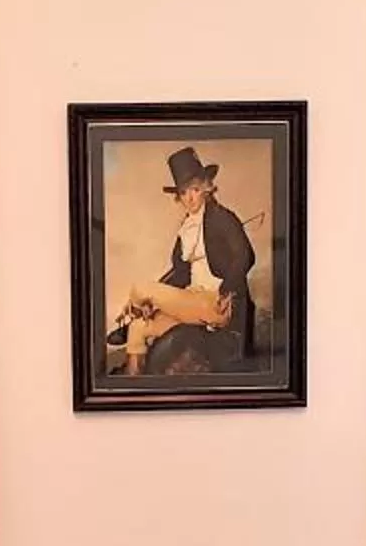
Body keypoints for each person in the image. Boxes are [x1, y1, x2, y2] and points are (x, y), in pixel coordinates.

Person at [108, 146, 258, 375]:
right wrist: (153, 302)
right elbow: (179, 274)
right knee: (139, 328)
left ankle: (131, 314)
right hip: (192, 302)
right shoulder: (186, 228)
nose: (190, 197)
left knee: (140, 288)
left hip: (215, 303)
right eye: (184, 192)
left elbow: (246, 255)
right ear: (179, 196)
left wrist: (228, 289)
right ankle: (133, 383)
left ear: (206, 188)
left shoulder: (222, 218)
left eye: (195, 190)